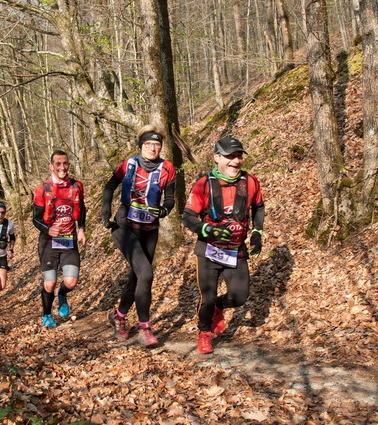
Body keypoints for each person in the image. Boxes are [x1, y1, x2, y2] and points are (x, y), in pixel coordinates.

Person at [182, 136, 265, 354]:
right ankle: (204, 332)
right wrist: (207, 229)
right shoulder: (204, 184)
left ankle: (220, 305)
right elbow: (188, 216)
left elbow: (259, 207)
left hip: (235, 251)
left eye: (238, 156)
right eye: (230, 156)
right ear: (217, 157)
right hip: (209, 251)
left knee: (239, 296)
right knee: (206, 298)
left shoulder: (250, 182)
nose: (235, 161)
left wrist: (257, 232)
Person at [101, 125, 176, 347]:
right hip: (125, 227)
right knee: (146, 274)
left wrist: (164, 210)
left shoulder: (167, 168)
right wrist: (106, 213)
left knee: (138, 277)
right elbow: (108, 188)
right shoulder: (128, 165)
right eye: (148, 144)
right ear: (140, 146)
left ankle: (119, 315)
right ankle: (145, 328)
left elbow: (170, 198)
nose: (153, 148)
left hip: (150, 229)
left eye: (157, 145)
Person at [32, 150, 87, 328]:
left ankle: (62, 295)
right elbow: (35, 219)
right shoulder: (42, 189)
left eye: (65, 164)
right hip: (48, 243)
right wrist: (49, 229)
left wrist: (82, 229)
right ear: (51, 166)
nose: (62, 168)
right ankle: (47, 314)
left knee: (71, 282)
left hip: (68, 240)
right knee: (50, 282)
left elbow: (82, 209)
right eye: (58, 164)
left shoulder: (77, 186)